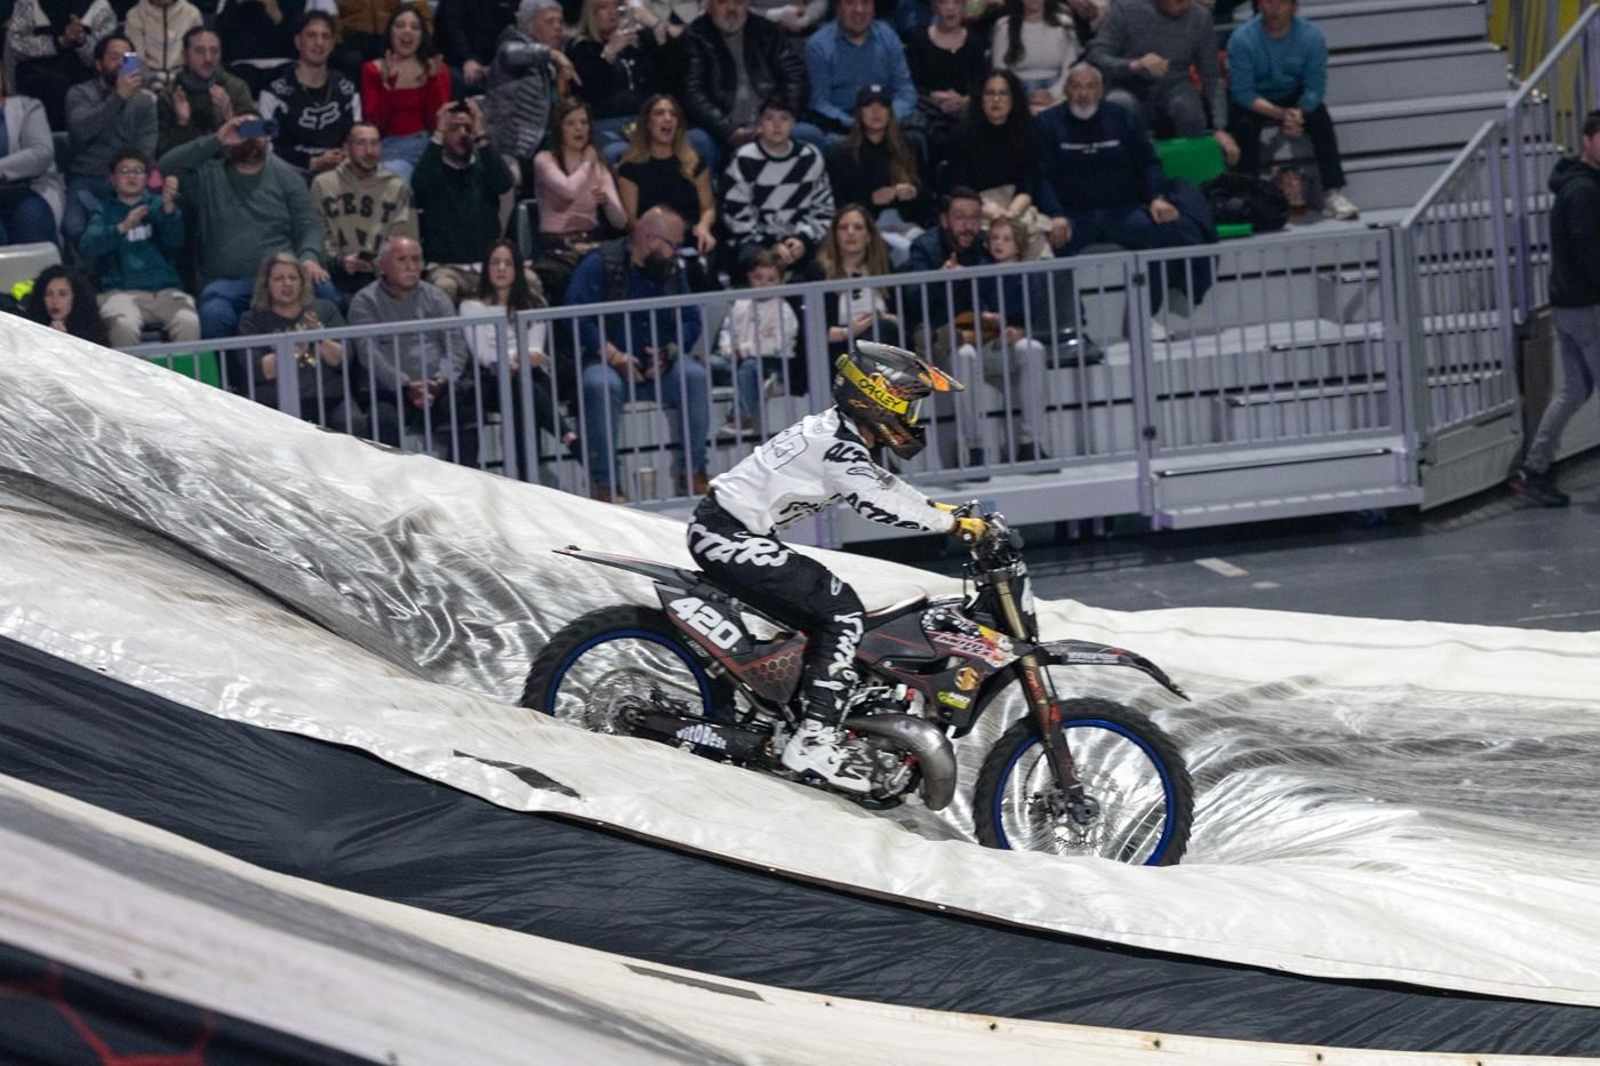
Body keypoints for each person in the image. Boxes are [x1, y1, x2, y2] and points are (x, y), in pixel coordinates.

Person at [689, 341, 983, 792]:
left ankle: (795, 710)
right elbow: (874, 502)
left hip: (731, 533)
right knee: (841, 612)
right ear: (876, 397)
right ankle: (814, 738)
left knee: (816, 610)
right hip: (729, 537)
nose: (913, 415)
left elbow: (883, 483)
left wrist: (942, 508)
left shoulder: (839, 434)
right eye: (908, 402)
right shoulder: (837, 446)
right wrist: (948, 523)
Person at [562, 205, 710, 503]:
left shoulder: (672, 270)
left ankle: (693, 471)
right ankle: (607, 484)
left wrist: (669, 351)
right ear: (650, 240)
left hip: (661, 366)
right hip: (609, 360)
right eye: (673, 245)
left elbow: (693, 318)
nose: (677, 253)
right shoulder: (600, 262)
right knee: (599, 385)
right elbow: (575, 315)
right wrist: (613, 355)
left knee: (694, 376)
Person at [1035, 64, 1212, 313]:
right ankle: (1069, 324)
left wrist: (1156, 198)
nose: (1083, 94)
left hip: (1122, 211)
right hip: (1073, 214)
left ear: (1101, 91)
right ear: (1065, 90)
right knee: (1048, 249)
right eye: (1075, 86)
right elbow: (1041, 176)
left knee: (1165, 233)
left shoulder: (1121, 117)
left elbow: (1148, 163)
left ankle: (1146, 316)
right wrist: (1055, 214)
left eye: (1090, 86)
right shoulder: (1047, 123)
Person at [159, 112, 331, 338]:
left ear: (268, 137)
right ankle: (224, 375)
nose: (251, 138)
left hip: (282, 278)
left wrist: (309, 257)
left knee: (327, 294)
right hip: (225, 284)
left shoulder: (287, 177)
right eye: (244, 131)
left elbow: (308, 224)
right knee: (214, 314)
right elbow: (166, 165)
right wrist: (217, 139)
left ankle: (329, 370)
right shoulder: (208, 175)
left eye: (258, 131)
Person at [1508, 111, 1600, 508]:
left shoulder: (1579, 185)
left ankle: (1534, 468)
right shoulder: (1583, 191)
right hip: (1587, 305)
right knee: (1574, 389)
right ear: (1587, 139)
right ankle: (1534, 468)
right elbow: (1589, 252)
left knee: (1574, 389)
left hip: (1570, 303)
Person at [347, 234, 478, 465]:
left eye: (416, 259)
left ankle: (463, 484)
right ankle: (395, 491)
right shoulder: (365, 301)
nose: (411, 266)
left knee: (467, 413)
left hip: (438, 387)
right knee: (382, 420)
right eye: (402, 259)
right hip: (388, 391)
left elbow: (455, 344)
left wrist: (440, 380)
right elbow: (369, 354)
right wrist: (405, 384)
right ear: (382, 266)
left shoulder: (436, 296)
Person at [1225, 0, 1358, 221]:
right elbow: (1243, 92)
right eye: (1267, 1)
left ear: (1294, 7)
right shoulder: (1242, 39)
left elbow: (1315, 87)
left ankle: (1332, 191)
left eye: (1281, 2)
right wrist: (1281, 114)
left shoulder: (1311, 37)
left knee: (1320, 117)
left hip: (1293, 92)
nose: (1274, 7)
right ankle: (1249, 193)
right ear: (1258, 5)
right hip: (1257, 97)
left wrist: (1299, 111)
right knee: (1243, 123)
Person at [458, 239, 579, 475]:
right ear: (486, 268)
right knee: (520, 388)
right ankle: (567, 436)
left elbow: (535, 349)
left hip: (527, 378)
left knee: (520, 398)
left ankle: (524, 480)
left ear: (517, 270)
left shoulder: (534, 303)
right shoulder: (471, 307)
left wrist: (516, 360)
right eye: (495, 263)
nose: (501, 269)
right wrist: (517, 358)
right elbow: (483, 355)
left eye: (508, 263)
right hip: (490, 381)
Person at [1088, 0, 1236, 162]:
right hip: (1128, 84)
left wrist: (1220, 127)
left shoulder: (1200, 17)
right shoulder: (1125, 9)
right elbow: (1097, 55)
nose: (1182, 4)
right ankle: (1125, 176)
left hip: (1174, 85)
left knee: (1187, 107)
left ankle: (1192, 178)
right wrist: (1134, 65)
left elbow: (1212, 77)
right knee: (1120, 103)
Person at [78, 148, 198, 347]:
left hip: (164, 291)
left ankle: (183, 378)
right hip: (121, 293)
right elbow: (88, 246)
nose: (132, 175)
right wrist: (122, 227)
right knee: (123, 325)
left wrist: (169, 212)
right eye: (125, 170)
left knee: (188, 321)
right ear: (113, 178)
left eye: (138, 171)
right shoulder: (103, 209)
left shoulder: (159, 205)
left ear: (147, 178)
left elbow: (176, 242)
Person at [953, 217, 1048, 464]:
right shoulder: (978, 270)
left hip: (1010, 347)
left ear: (1018, 246)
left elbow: (1037, 316)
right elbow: (966, 308)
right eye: (994, 238)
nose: (999, 244)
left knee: (1032, 347)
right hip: (980, 345)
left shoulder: (1027, 274)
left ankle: (1030, 443)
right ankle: (975, 449)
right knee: (963, 355)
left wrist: (1021, 330)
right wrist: (984, 317)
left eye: (1006, 239)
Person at [683, 0, 820, 165]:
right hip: (720, 130)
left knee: (811, 135)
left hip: (770, 122)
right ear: (709, 6)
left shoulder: (767, 31)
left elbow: (795, 78)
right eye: (723, 2)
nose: (732, 9)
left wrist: (778, 120)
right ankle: (708, 191)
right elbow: (691, 92)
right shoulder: (695, 36)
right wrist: (727, 130)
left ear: (748, 5)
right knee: (696, 140)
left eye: (739, 2)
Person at [946, 70, 1065, 258]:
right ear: (980, 98)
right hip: (978, 207)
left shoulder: (1029, 131)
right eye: (990, 93)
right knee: (993, 237)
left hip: (1018, 205)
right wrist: (990, 211)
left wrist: (1011, 213)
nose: (996, 100)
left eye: (1002, 93)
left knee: (1035, 237)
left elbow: (1030, 182)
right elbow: (959, 185)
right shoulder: (961, 134)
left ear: (1013, 99)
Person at [238, 251, 362, 431]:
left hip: (329, 399)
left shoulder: (325, 310)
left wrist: (319, 338)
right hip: (274, 405)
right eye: (279, 278)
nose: (287, 283)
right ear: (267, 285)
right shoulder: (252, 320)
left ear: (302, 282)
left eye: (293, 278)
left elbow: (343, 358)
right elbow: (260, 370)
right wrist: (295, 349)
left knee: (354, 423)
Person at [411, 98, 519, 303]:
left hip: (488, 266)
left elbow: (505, 183)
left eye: (467, 128)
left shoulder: (485, 166)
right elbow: (420, 185)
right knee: (444, 287)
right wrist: (438, 133)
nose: (462, 134)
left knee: (530, 282)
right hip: (446, 268)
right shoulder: (433, 168)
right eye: (454, 128)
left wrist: (480, 134)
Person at [722, 93, 833, 277]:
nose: (777, 124)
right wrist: (772, 245)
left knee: (824, 266)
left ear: (793, 123)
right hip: (756, 243)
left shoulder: (810, 157)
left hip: (802, 242)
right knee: (755, 261)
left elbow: (824, 210)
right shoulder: (744, 159)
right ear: (760, 123)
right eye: (769, 118)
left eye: (784, 118)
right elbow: (736, 217)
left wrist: (802, 240)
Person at [63, 35, 157, 249]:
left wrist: (127, 179)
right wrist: (118, 97)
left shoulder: (144, 102)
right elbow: (82, 131)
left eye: (127, 59)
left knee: (154, 221)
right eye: (114, 57)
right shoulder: (79, 94)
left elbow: (146, 150)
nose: (120, 64)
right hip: (87, 178)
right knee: (74, 226)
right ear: (98, 64)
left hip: (129, 178)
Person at [531, 98, 627, 303]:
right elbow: (569, 191)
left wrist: (607, 201)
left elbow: (620, 221)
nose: (579, 129)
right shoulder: (545, 160)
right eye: (571, 123)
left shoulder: (598, 166)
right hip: (556, 248)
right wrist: (586, 163)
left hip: (592, 243)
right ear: (559, 128)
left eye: (583, 123)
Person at [824, 85, 933, 265]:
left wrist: (914, 193)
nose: (876, 111)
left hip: (908, 222)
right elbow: (839, 203)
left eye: (882, 105)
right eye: (869, 106)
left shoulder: (910, 146)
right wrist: (870, 200)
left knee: (925, 247)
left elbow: (928, 197)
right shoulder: (841, 154)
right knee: (903, 251)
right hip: (867, 226)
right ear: (859, 113)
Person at [310, 121, 419, 299]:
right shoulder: (323, 184)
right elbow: (316, 234)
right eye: (361, 143)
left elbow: (406, 239)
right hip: (335, 274)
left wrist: (378, 264)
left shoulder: (397, 187)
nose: (369, 151)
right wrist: (340, 262)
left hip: (383, 276)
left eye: (374, 143)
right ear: (346, 147)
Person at [485, 0, 577, 210]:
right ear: (529, 25)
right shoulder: (511, 44)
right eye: (549, 21)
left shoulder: (549, 63)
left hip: (544, 144)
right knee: (511, 177)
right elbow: (510, 54)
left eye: (560, 22)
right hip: (513, 146)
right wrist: (552, 54)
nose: (557, 27)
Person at [260, 12, 364, 178]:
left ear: (332, 44)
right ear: (298, 42)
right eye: (312, 35)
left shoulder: (347, 87)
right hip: (288, 175)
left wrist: (346, 153)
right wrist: (311, 162)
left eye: (326, 36)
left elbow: (358, 134)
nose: (319, 42)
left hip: (339, 174)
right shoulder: (275, 91)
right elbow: (265, 143)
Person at [359, 3, 451, 185]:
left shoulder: (437, 69)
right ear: (390, 32)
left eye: (415, 27)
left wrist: (431, 82)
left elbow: (436, 123)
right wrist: (389, 86)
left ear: (422, 35)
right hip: (391, 148)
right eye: (400, 25)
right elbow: (375, 125)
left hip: (432, 146)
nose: (407, 31)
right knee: (397, 182)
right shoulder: (373, 70)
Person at [616, 94, 717, 257]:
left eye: (673, 114)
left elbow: (708, 208)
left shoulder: (695, 161)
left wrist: (703, 226)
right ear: (647, 123)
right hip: (652, 242)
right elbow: (630, 221)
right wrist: (660, 239)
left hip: (691, 237)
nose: (668, 118)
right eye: (659, 113)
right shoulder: (630, 167)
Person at [713, 247, 799, 437]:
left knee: (749, 367)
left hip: (772, 361)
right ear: (750, 278)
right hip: (737, 359)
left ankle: (742, 418)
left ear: (780, 281)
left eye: (771, 280)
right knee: (713, 364)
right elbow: (727, 330)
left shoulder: (783, 309)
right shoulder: (740, 303)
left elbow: (777, 344)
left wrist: (744, 350)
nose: (764, 284)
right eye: (758, 278)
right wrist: (728, 349)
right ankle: (761, 382)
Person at [804, 0, 916, 143]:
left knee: (914, 137)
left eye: (865, 3)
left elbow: (905, 92)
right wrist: (858, 124)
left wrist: (886, 118)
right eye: (850, 3)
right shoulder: (818, 45)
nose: (859, 10)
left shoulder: (888, 37)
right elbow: (819, 102)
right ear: (838, 8)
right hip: (842, 124)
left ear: (873, 8)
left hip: (886, 118)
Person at [807, 204, 903, 362]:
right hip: (839, 350)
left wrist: (889, 318)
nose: (850, 233)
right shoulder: (818, 271)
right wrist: (849, 331)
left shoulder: (884, 266)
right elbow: (814, 331)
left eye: (858, 227)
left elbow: (901, 316)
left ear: (868, 236)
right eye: (843, 228)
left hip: (883, 342)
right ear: (835, 235)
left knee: (883, 329)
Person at [569, 0, 660, 163]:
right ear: (591, 14)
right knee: (618, 153)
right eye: (603, 7)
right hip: (606, 122)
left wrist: (653, 25)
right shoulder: (581, 48)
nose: (612, 12)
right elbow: (589, 92)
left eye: (617, 6)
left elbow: (665, 78)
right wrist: (609, 53)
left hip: (645, 120)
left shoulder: (640, 43)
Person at [5, 0, 116, 129]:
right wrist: (59, 43)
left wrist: (81, 40)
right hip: (35, 75)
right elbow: (15, 44)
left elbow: (105, 55)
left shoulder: (99, 6)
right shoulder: (28, 3)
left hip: (83, 77)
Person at [903, 0, 988, 160]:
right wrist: (933, 96)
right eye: (944, 2)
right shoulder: (918, 39)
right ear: (934, 7)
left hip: (966, 109)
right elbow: (910, 84)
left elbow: (981, 83)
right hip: (927, 108)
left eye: (956, 3)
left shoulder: (975, 42)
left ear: (964, 7)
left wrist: (965, 100)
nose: (950, 8)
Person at [156, 27, 255, 157]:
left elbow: (256, 135)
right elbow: (163, 155)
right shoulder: (170, 95)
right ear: (185, 55)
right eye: (199, 51)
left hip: (229, 166)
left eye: (214, 51)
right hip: (188, 169)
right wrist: (182, 123)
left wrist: (230, 117)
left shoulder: (236, 87)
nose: (208, 58)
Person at [0, 68, 65, 248]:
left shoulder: (28, 107)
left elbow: (41, 153)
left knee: (33, 226)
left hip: (29, 188)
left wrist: (2, 168)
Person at [991, 0, 1080, 113]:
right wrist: (1022, 95)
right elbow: (1000, 71)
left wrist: (1052, 93)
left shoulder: (1064, 24)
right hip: (1017, 91)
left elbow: (1070, 68)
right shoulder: (1004, 26)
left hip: (1058, 88)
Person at [433, 0, 515, 96]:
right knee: (463, 82)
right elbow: (451, 32)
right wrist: (468, 59)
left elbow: (508, 31)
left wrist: (495, 64)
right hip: (455, 60)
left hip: (491, 62)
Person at [124, 0, 205, 90]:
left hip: (185, 84)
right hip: (145, 87)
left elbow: (198, 58)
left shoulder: (192, 15)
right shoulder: (134, 15)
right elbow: (130, 62)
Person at [23, 263, 108, 344]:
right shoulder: (30, 328)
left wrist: (65, 342)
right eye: (48, 294)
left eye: (62, 294)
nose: (55, 301)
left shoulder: (92, 330)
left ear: (75, 297)